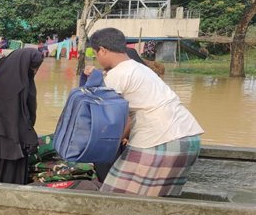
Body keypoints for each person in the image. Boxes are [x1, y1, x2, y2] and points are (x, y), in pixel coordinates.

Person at [84, 28, 204, 197]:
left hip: (160, 139)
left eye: (96, 53)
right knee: (157, 199)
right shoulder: (141, 68)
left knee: (115, 195)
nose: (97, 58)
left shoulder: (116, 75)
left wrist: (104, 147)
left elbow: (115, 122)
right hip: (188, 137)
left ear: (102, 50)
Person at [0, 48, 44, 184]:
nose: (34, 72)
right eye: (34, 67)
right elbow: (24, 115)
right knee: (11, 172)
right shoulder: (24, 84)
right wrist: (28, 135)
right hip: (14, 138)